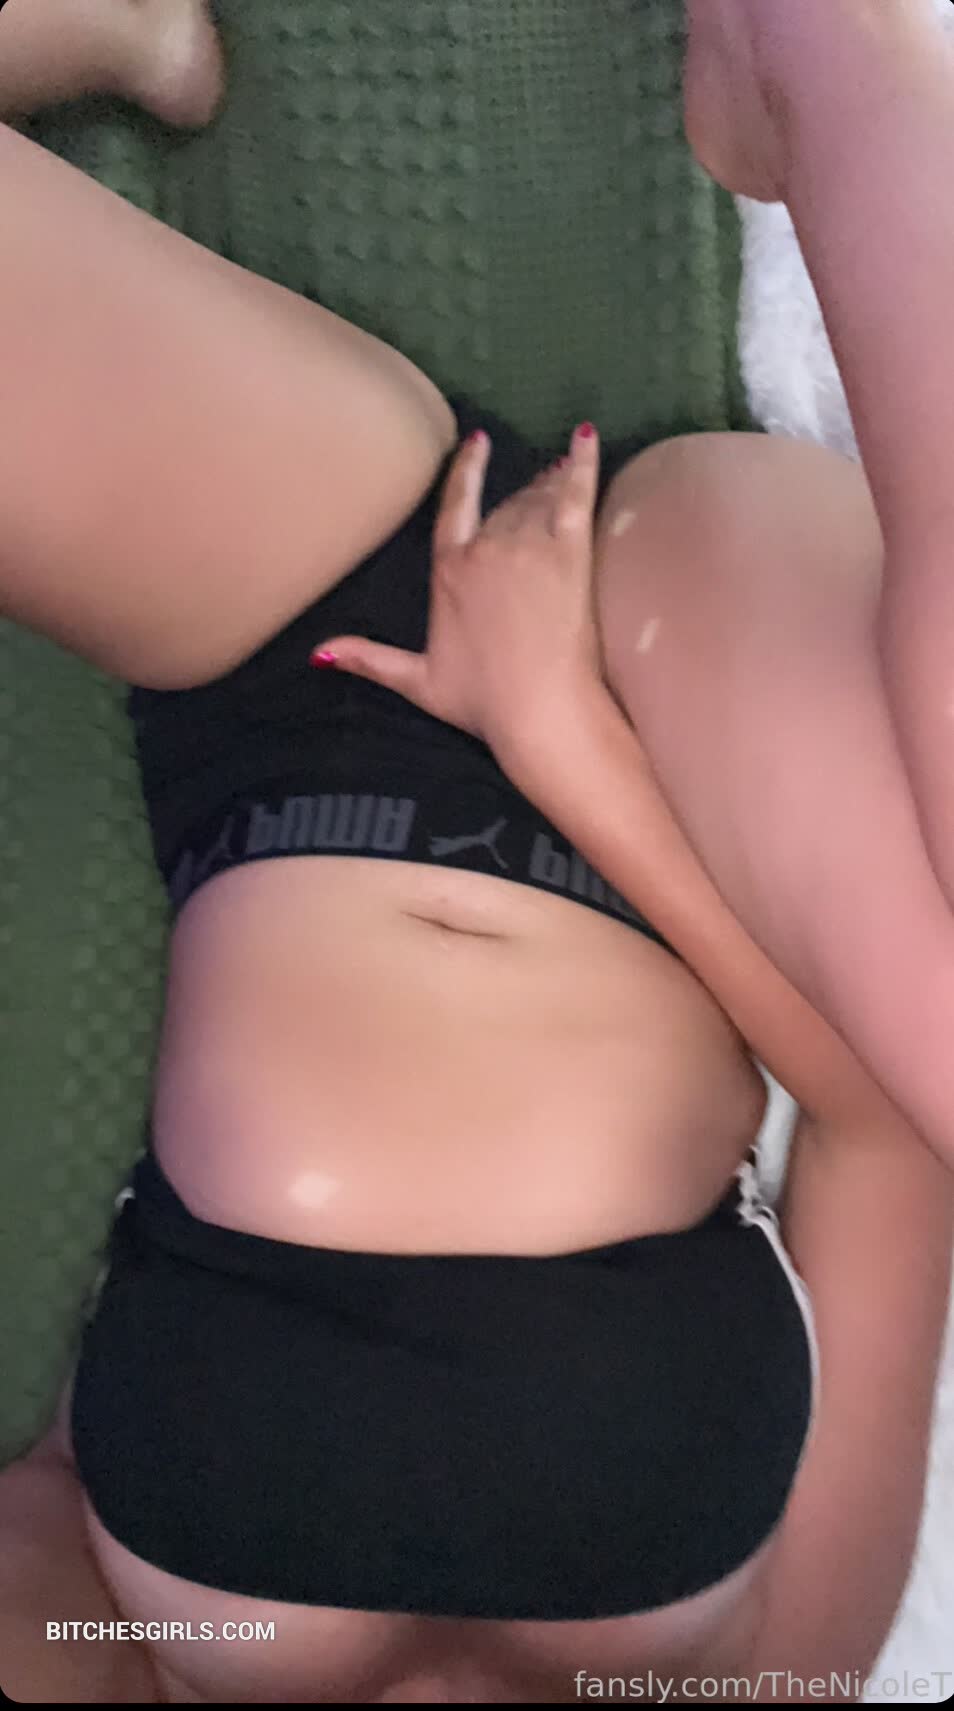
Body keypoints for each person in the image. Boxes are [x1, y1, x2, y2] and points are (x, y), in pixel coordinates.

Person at [0, 0, 952, 1702]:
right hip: (672, 734)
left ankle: (124, 37)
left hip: (295, 669)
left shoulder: (117, 1661)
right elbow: (883, 1130)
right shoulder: (770, 1677)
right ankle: (819, 54)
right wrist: (567, 748)